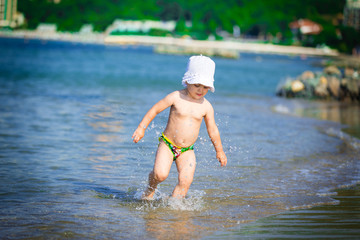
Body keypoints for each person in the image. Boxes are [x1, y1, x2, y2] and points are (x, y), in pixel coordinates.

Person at [132, 55, 227, 200]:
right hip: (168, 144)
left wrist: (219, 151)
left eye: (205, 87)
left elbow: (212, 129)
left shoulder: (206, 107)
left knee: (185, 181)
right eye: (197, 85)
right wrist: (141, 128)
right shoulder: (176, 97)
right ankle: (151, 185)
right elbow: (155, 110)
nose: (200, 90)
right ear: (187, 80)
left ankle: (174, 209)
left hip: (187, 150)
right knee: (160, 174)